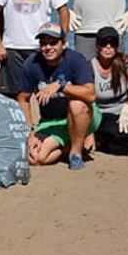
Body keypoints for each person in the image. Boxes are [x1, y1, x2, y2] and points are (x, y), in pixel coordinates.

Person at [17, 23, 97, 170]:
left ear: (64, 44)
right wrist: (30, 133)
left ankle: (76, 153)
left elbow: (91, 95)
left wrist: (62, 86)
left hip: (82, 115)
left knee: (76, 104)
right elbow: (23, 99)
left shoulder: (76, 60)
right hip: (51, 121)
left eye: (53, 42)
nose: (48, 47)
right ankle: (68, 146)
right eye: (43, 43)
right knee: (36, 158)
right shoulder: (31, 64)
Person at [89, 26, 128, 155]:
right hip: (101, 113)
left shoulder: (126, 63)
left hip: (124, 111)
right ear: (97, 46)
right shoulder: (89, 66)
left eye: (112, 43)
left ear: (117, 46)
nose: (108, 47)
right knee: (121, 136)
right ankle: (103, 140)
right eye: (104, 43)